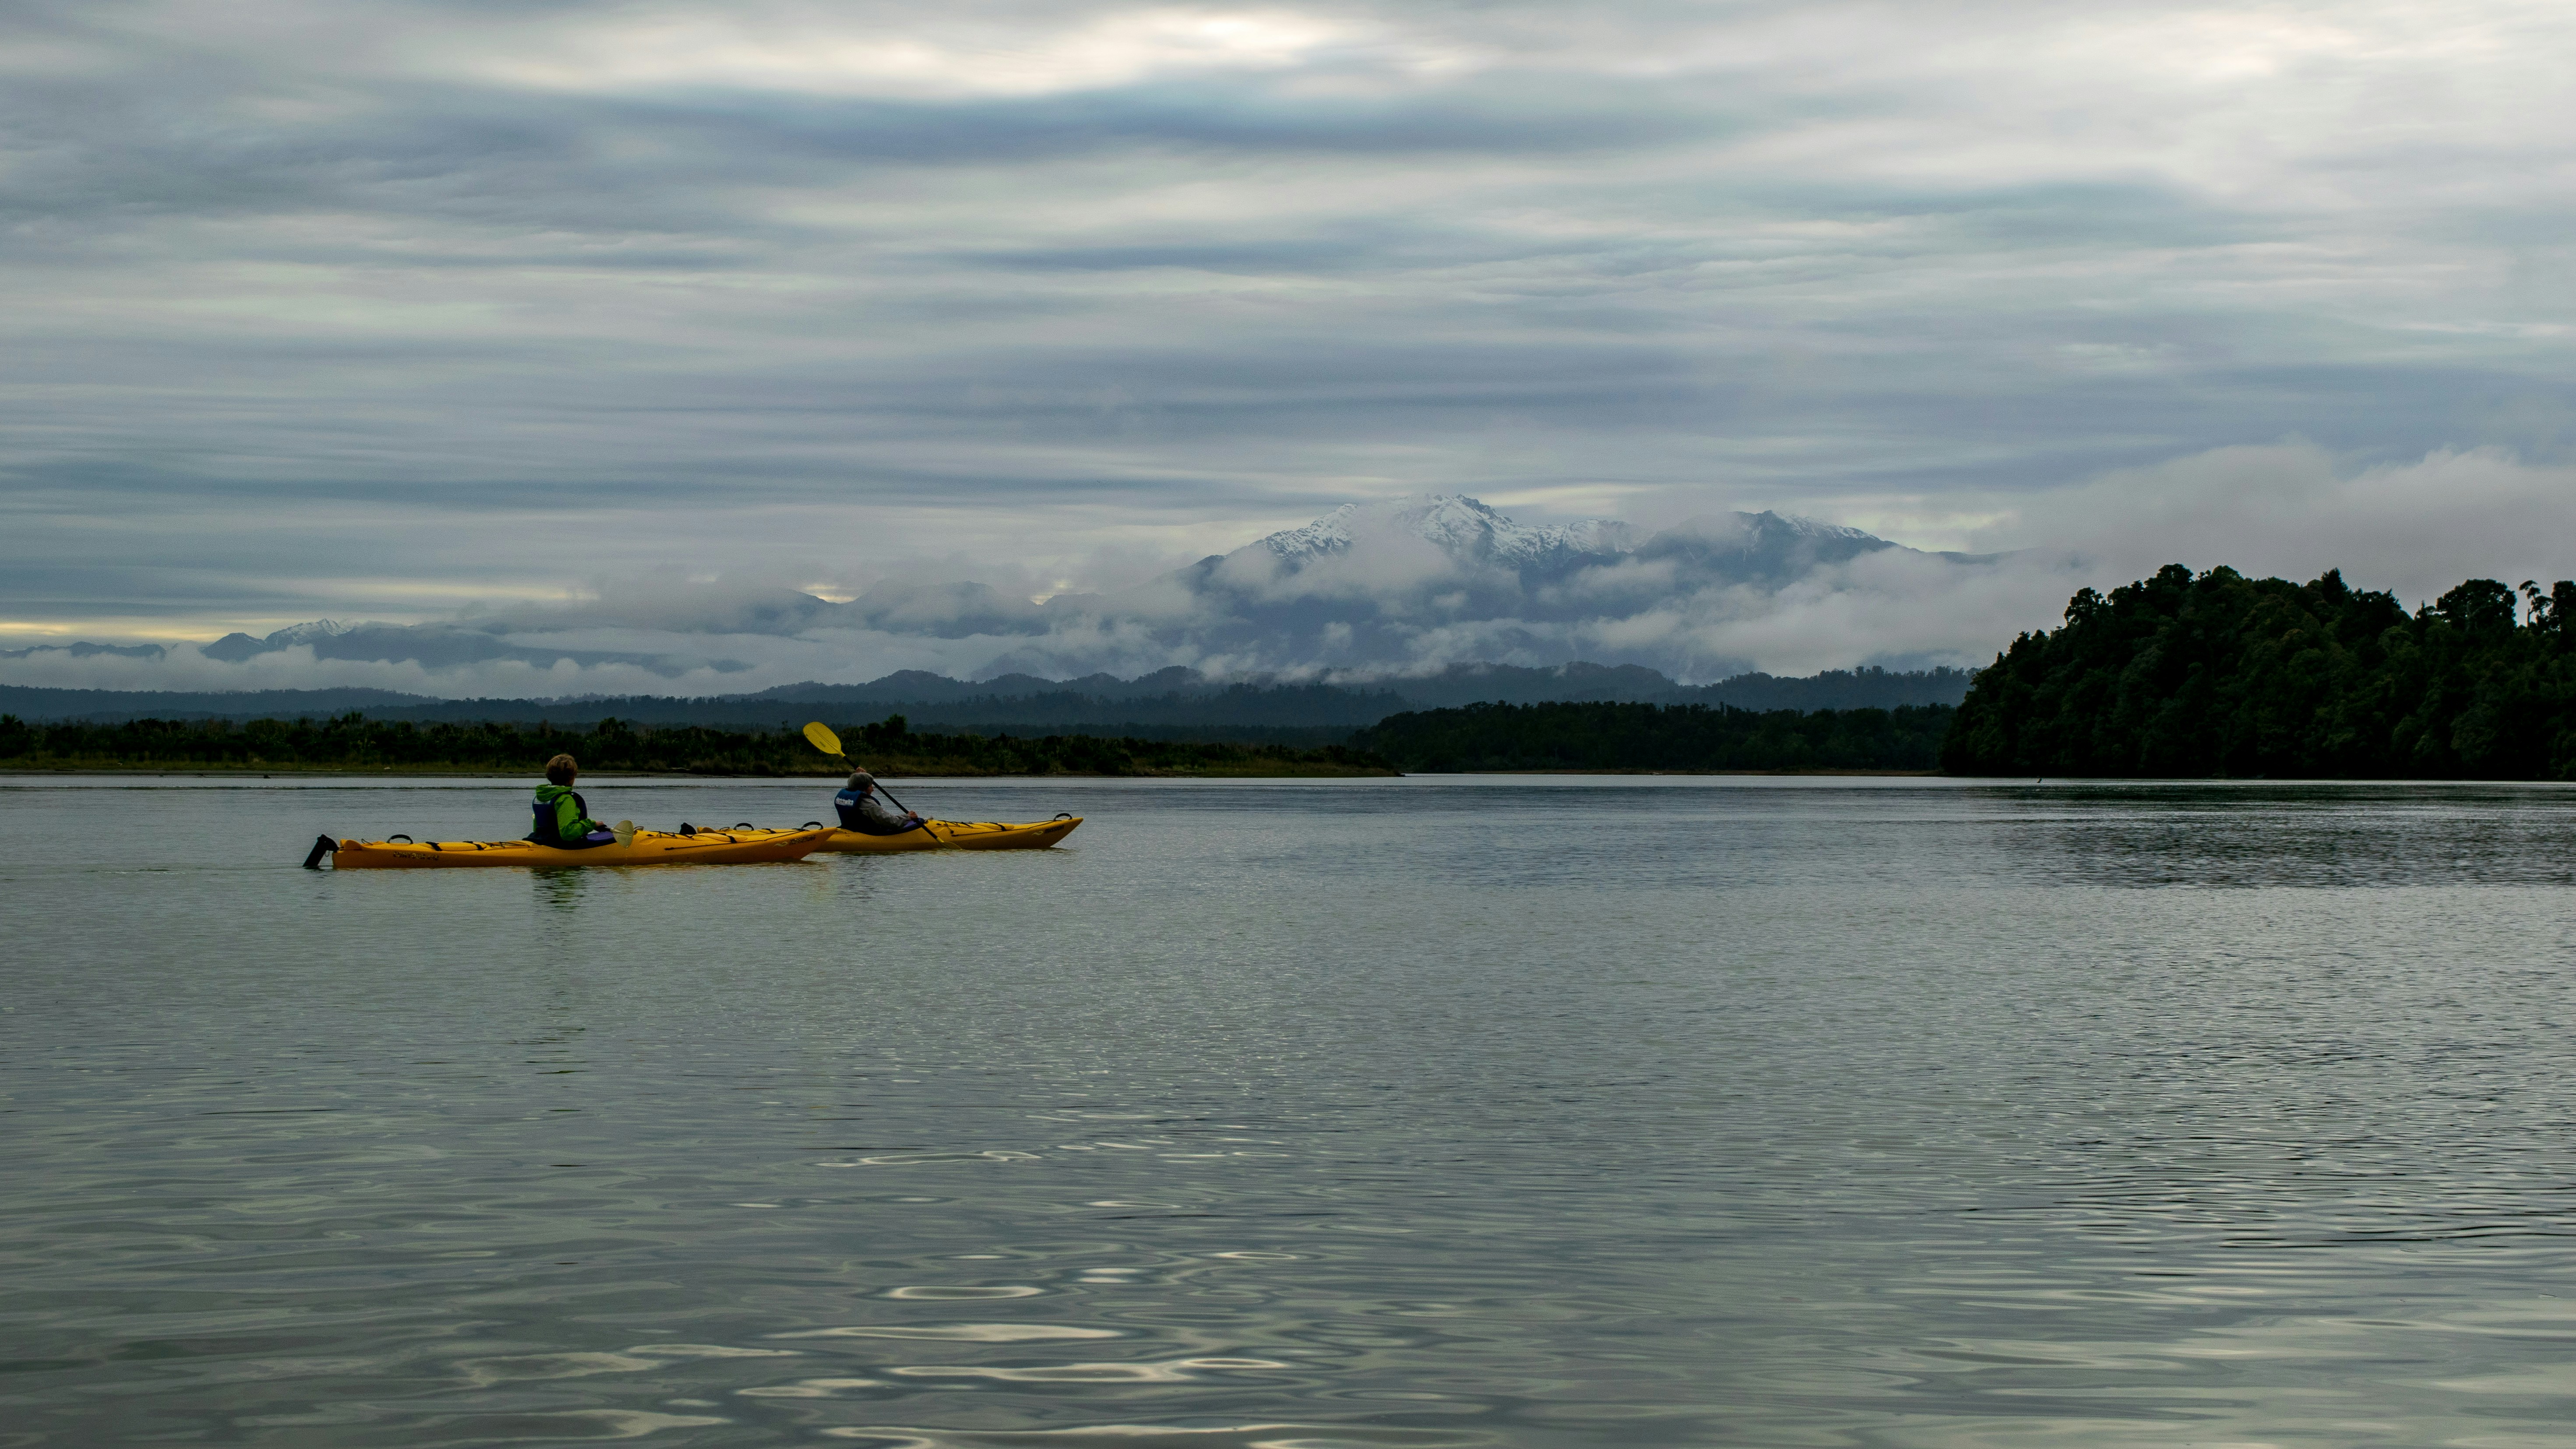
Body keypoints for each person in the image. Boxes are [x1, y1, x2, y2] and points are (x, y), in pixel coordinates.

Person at [530, 754, 617, 847]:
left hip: (540, 842)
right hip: (561, 846)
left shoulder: (540, 797)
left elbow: (537, 829)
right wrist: (591, 824)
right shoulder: (565, 799)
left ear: (549, 776)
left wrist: (593, 825)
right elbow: (568, 833)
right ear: (572, 777)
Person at [833, 770, 925, 835]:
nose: (873, 789)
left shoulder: (847, 796)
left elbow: (857, 782)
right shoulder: (867, 804)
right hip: (870, 834)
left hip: (849, 829)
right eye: (871, 786)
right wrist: (908, 817)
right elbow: (890, 822)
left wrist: (860, 775)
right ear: (864, 788)